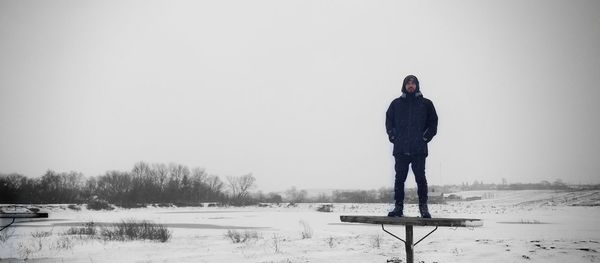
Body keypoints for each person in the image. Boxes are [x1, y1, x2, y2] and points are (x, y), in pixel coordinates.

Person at [385, 75, 438, 218]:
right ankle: (398, 208)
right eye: (408, 83)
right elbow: (389, 121)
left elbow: (433, 124)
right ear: (404, 85)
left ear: (417, 85)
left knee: (420, 178)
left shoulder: (426, 104)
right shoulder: (396, 104)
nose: (410, 85)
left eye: (413, 83)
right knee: (399, 179)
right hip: (401, 149)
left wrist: (424, 138)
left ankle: (423, 208)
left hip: (419, 149)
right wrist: (393, 136)